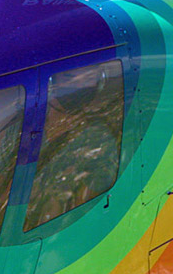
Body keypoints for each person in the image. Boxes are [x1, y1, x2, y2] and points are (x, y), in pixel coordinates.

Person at [25, 63, 120, 229]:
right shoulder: (19, 132)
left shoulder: (97, 137)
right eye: (69, 77)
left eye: (88, 78)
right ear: (52, 80)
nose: (79, 85)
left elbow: (89, 205)